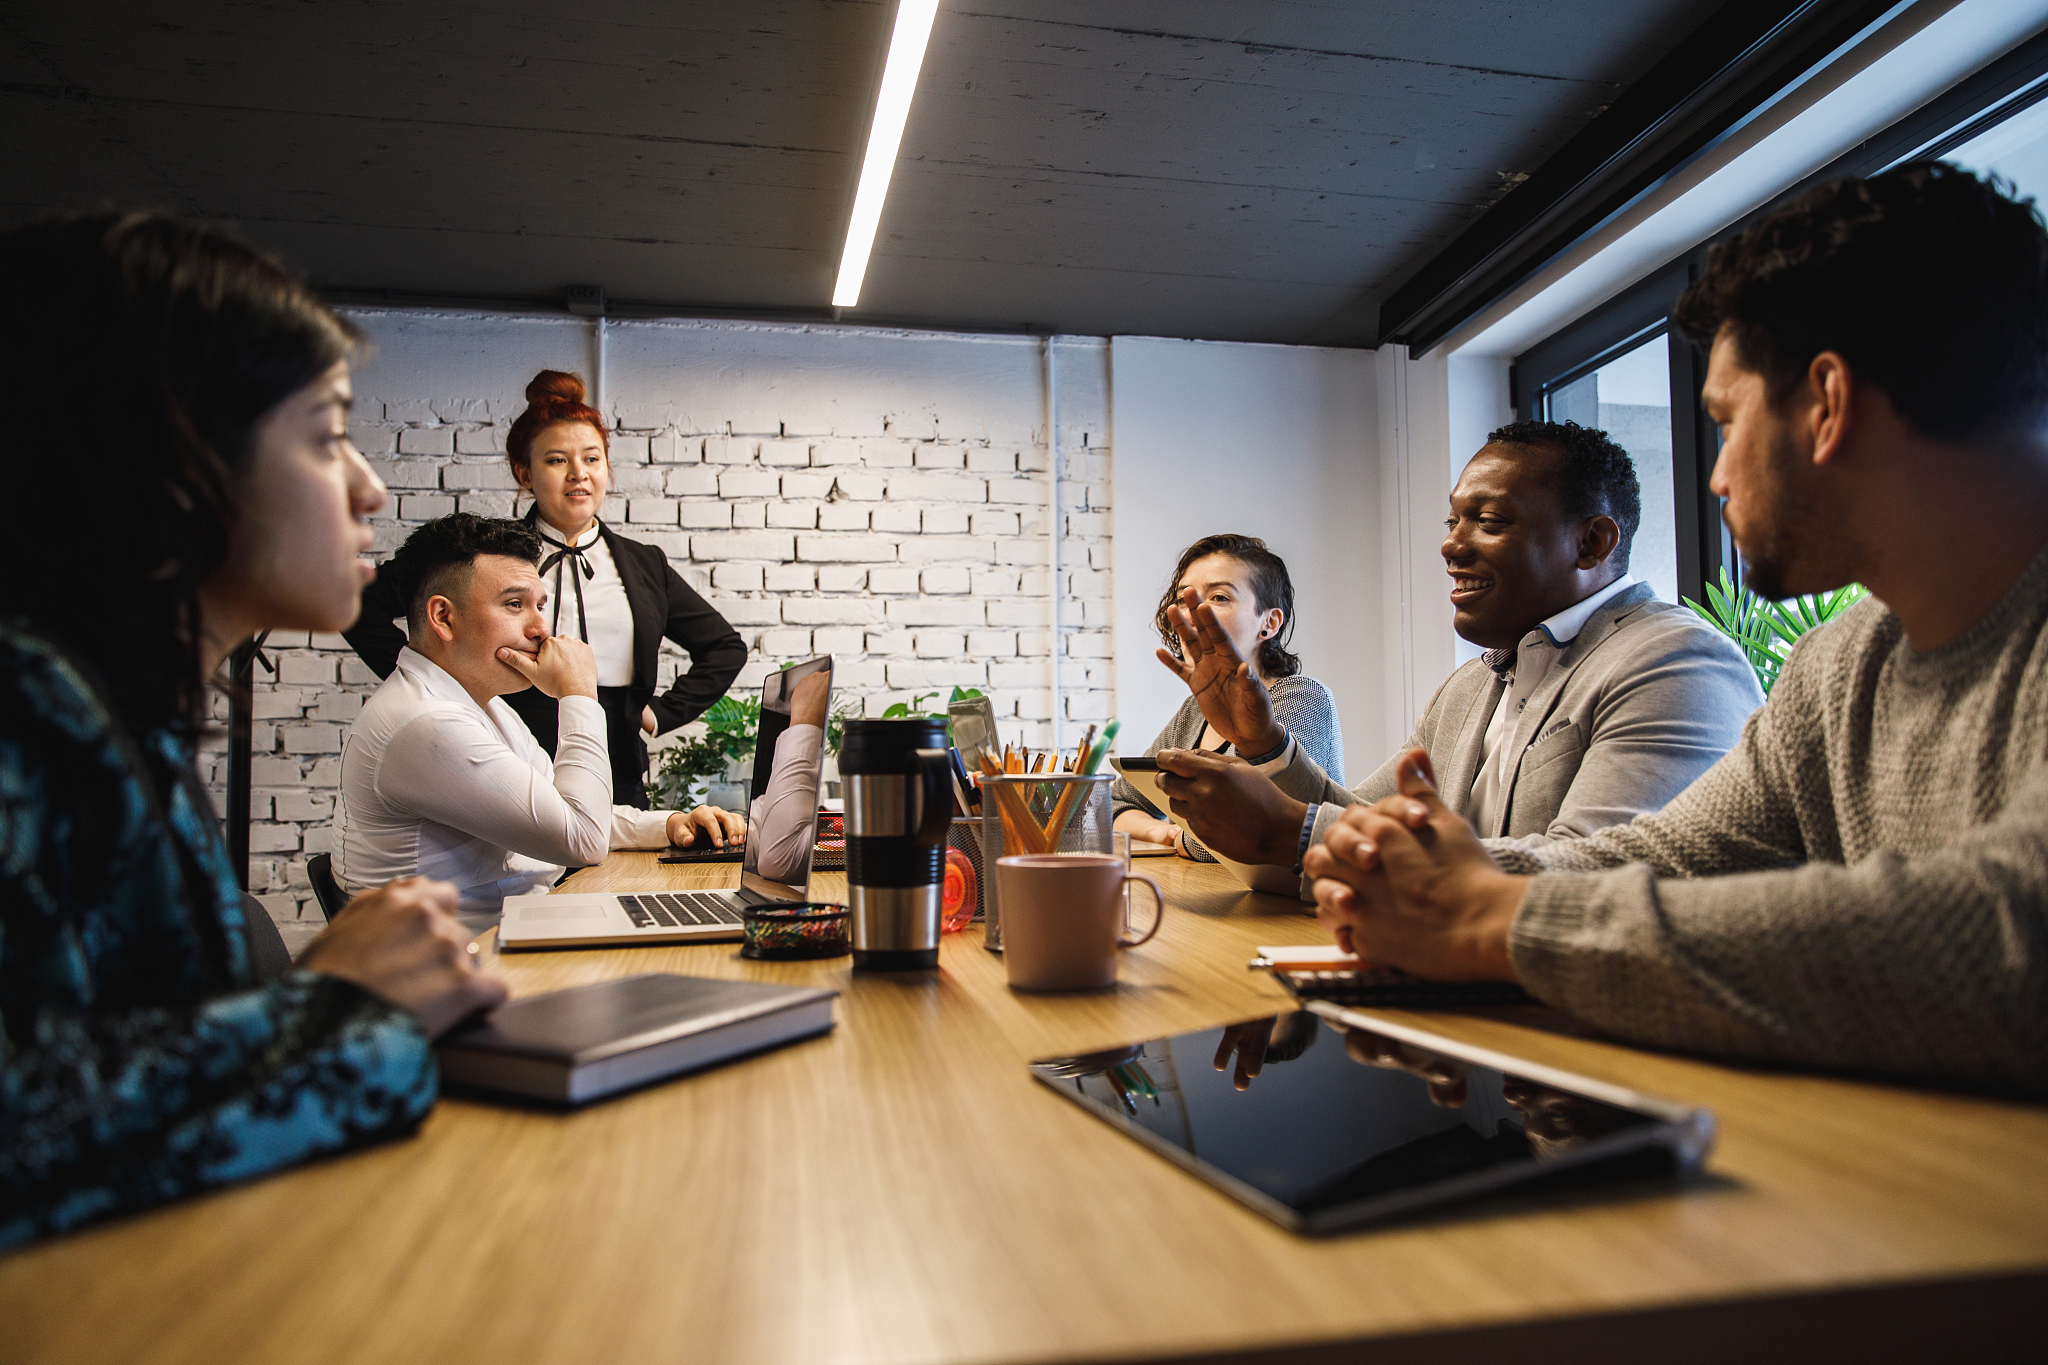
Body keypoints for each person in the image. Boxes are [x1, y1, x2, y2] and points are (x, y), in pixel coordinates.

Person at [1305, 163, 2048, 1096]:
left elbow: (2012, 932)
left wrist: (1488, 920)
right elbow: (1664, 858)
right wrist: (1426, 876)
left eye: (1728, 423)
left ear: (1827, 404)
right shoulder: (1841, 666)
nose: (1717, 476)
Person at [0, 213, 507, 1247]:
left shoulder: (119, 727)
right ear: (170, 461)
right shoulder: (25, 714)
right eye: (325, 436)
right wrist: (334, 1004)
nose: (368, 486)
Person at [1154, 424, 1761, 893]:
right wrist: (1266, 747)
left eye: (1488, 521)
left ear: (1592, 542)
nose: (1450, 545)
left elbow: (1596, 882)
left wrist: (1295, 833)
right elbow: (1363, 819)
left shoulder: (1676, 663)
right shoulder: (1472, 684)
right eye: (1454, 520)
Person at [345, 371, 746, 808]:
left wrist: (662, 713)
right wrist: (434, 683)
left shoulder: (644, 563)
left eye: (592, 459)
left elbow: (725, 647)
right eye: (557, 460)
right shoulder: (482, 552)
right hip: (504, 757)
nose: (579, 474)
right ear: (525, 473)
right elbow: (358, 602)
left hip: (618, 767)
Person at [333, 514, 744, 924]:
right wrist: (579, 692)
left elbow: (561, 809)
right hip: (459, 969)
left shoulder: (484, 706)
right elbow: (582, 839)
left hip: (510, 938)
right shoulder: (426, 723)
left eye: (539, 606)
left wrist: (670, 825)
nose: (540, 629)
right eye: (515, 605)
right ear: (443, 617)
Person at [1112, 534, 1344, 859]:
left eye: (1219, 597)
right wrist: (1165, 832)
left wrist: (1188, 837)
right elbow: (1119, 803)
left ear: (1269, 623)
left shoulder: (1301, 697)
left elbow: (1255, 832)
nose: (1193, 612)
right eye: (1183, 600)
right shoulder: (1194, 711)